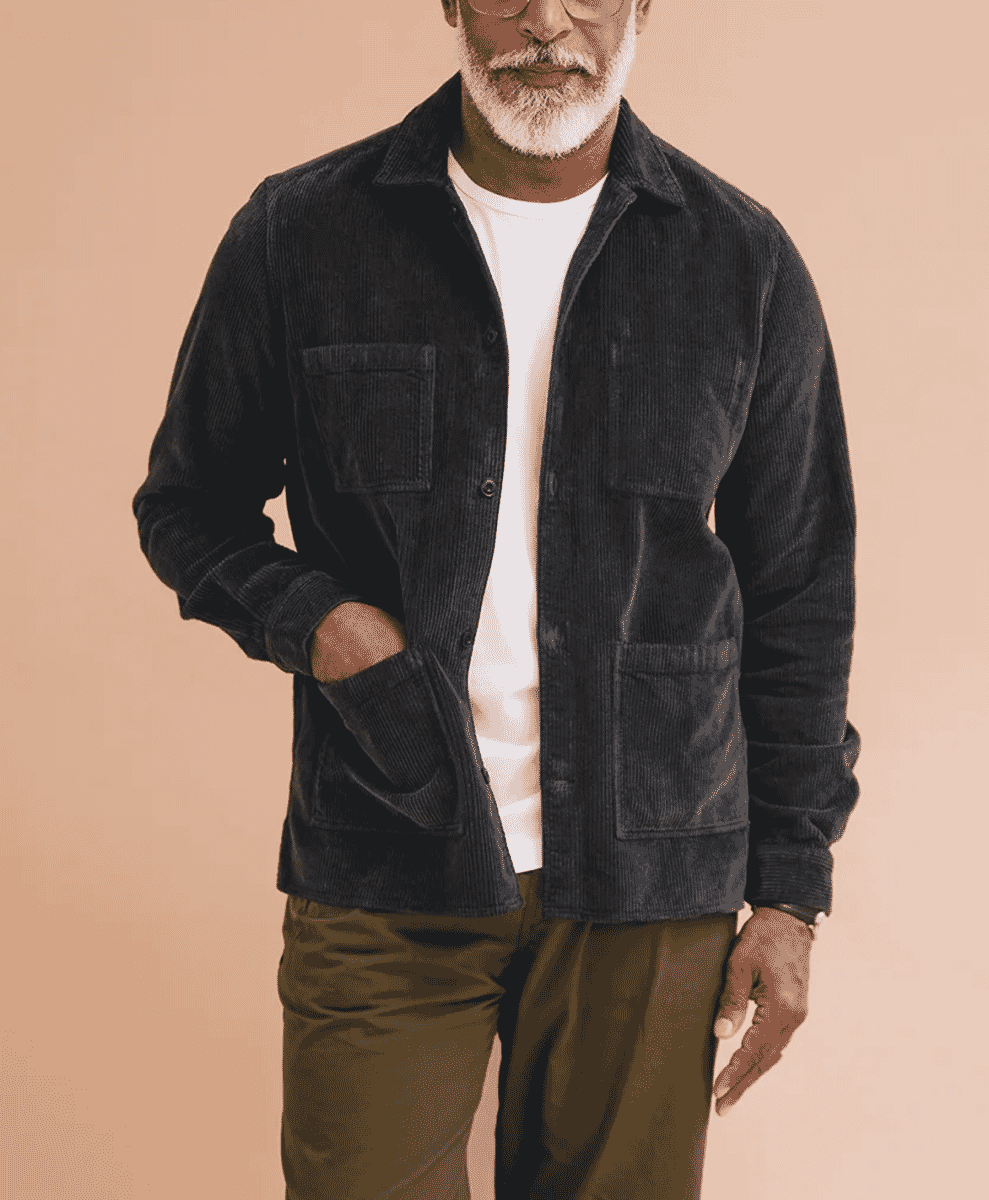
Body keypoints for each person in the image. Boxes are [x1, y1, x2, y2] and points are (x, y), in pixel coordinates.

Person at [132, 1, 861, 1196]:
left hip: (651, 875)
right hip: (383, 848)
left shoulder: (741, 258)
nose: (544, 21)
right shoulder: (301, 231)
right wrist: (323, 625)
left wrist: (788, 893)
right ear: (452, 3)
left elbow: (799, 590)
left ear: (639, 7)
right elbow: (187, 505)